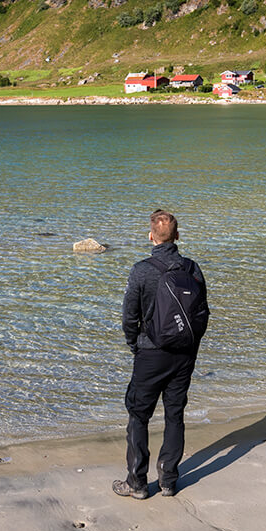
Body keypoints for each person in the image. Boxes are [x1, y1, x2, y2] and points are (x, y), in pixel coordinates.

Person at [113, 210, 208, 500]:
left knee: (138, 415)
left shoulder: (141, 270)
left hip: (151, 353)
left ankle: (137, 483)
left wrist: (135, 345)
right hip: (184, 354)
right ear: (177, 236)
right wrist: (192, 346)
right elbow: (202, 312)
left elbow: (129, 317)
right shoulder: (192, 268)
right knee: (174, 414)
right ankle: (168, 480)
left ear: (151, 236)